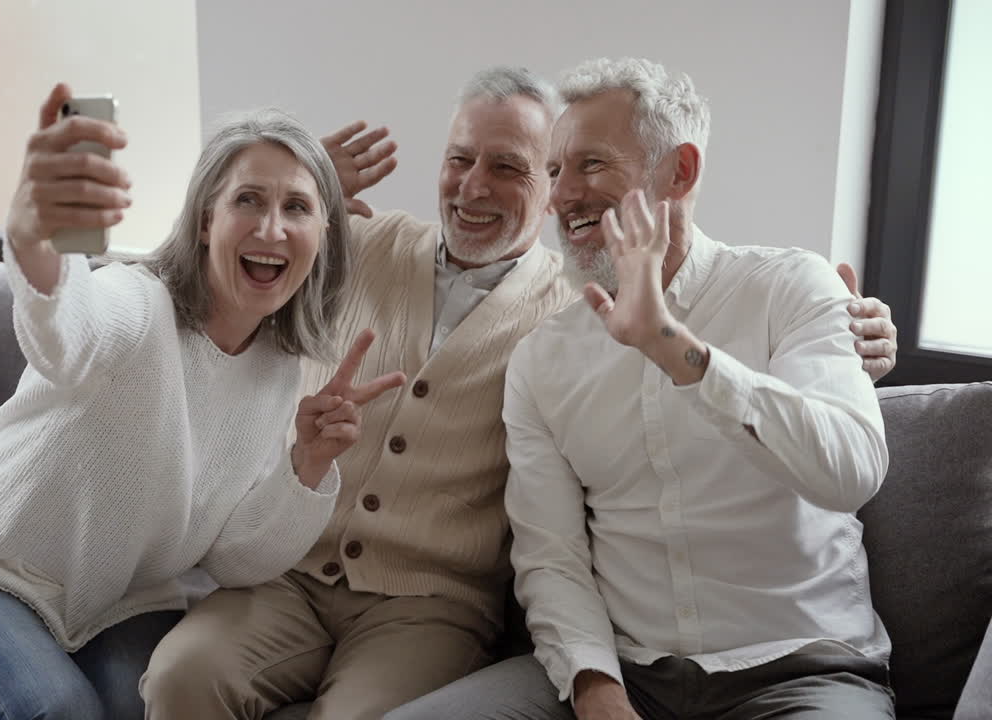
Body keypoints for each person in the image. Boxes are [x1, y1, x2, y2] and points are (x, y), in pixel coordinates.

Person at [143, 67, 900, 720]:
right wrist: (297, 196)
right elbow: (181, 289)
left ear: (546, 192)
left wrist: (830, 334)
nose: (474, 187)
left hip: (434, 604)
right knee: (180, 674)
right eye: (459, 160)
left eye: (511, 167)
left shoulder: (587, 309)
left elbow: (841, 456)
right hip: (292, 571)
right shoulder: (358, 247)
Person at [0, 83, 405, 720]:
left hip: (115, 607)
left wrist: (308, 465)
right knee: (62, 712)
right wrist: (36, 235)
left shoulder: (280, 369)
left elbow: (234, 560)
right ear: (206, 218)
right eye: (248, 200)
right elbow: (67, 334)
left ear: (323, 232)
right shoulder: (138, 304)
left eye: (297, 207)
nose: (272, 227)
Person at [389, 58, 895, 720]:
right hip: (626, 671)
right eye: (552, 171)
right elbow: (551, 556)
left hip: (798, 669)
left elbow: (850, 473)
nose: (561, 195)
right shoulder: (545, 358)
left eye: (590, 165)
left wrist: (673, 348)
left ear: (679, 171)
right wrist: (597, 690)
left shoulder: (792, 288)